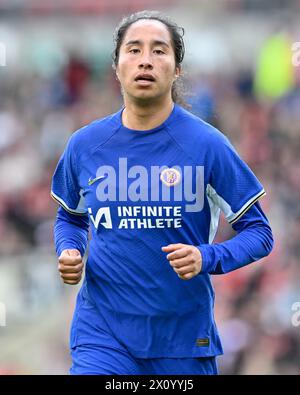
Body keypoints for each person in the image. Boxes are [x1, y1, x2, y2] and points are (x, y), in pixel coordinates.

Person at [51, 10, 274, 375]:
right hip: (103, 337)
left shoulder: (207, 145)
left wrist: (207, 257)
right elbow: (69, 217)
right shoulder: (85, 145)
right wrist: (70, 249)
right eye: (134, 50)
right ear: (116, 65)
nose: (145, 61)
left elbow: (260, 233)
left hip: (182, 341)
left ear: (177, 68)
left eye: (159, 51)